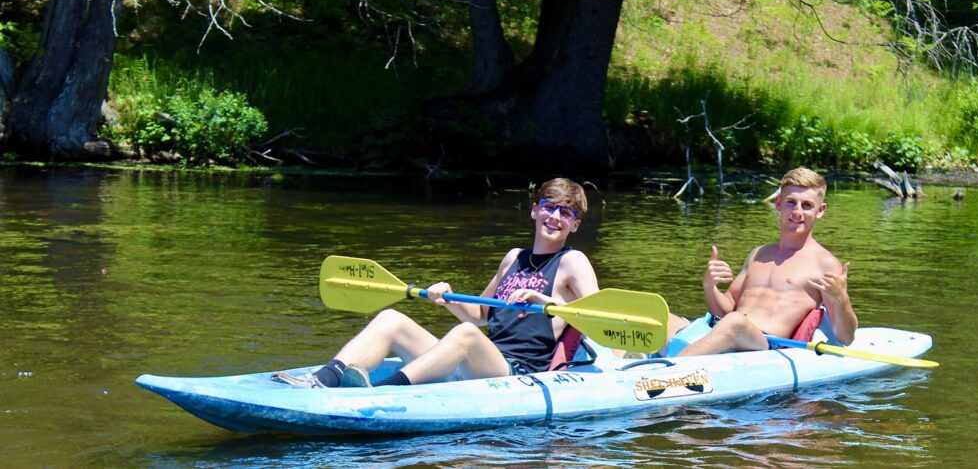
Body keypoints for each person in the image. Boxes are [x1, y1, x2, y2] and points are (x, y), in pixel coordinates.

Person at [275, 178, 600, 388]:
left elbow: (598, 319)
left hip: (516, 373)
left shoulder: (572, 262)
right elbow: (480, 316)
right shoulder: (512, 257)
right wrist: (446, 297)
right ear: (534, 210)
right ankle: (321, 381)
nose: (555, 217)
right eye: (549, 207)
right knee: (392, 319)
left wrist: (546, 304)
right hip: (480, 362)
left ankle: (388, 390)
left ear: (575, 224)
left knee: (467, 336)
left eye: (566, 213)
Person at [667, 167, 857, 357]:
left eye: (807, 205)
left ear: (820, 210)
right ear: (778, 203)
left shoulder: (825, 263)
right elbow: (725, 310)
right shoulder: (758, 253)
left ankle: (668, 372)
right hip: (723, 330)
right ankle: (652, 366)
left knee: (736, 322)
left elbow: (846, 337)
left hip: (765, 346)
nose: (798, 212)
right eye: (791, 203)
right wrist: (709, 286)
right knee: (664, 320)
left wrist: (841, 300)